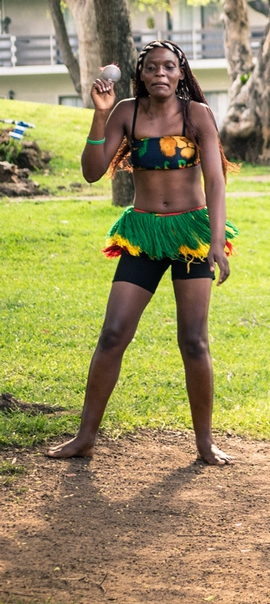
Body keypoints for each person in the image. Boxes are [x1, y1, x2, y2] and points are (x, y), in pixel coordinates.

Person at [47, 40, 235, 465]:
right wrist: (100, 113)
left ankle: (204, 442)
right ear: (142, 74)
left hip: (191, 233)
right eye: (153, 68)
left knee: (193, 340)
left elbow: (216, 182)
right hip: (144, 234)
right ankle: (85, 437)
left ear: (182, 72)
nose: (161, 74)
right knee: (113, 334)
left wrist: (217, 241)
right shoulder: (126, 112)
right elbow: (92, 172)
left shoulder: (198, 115)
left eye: (170, 67)